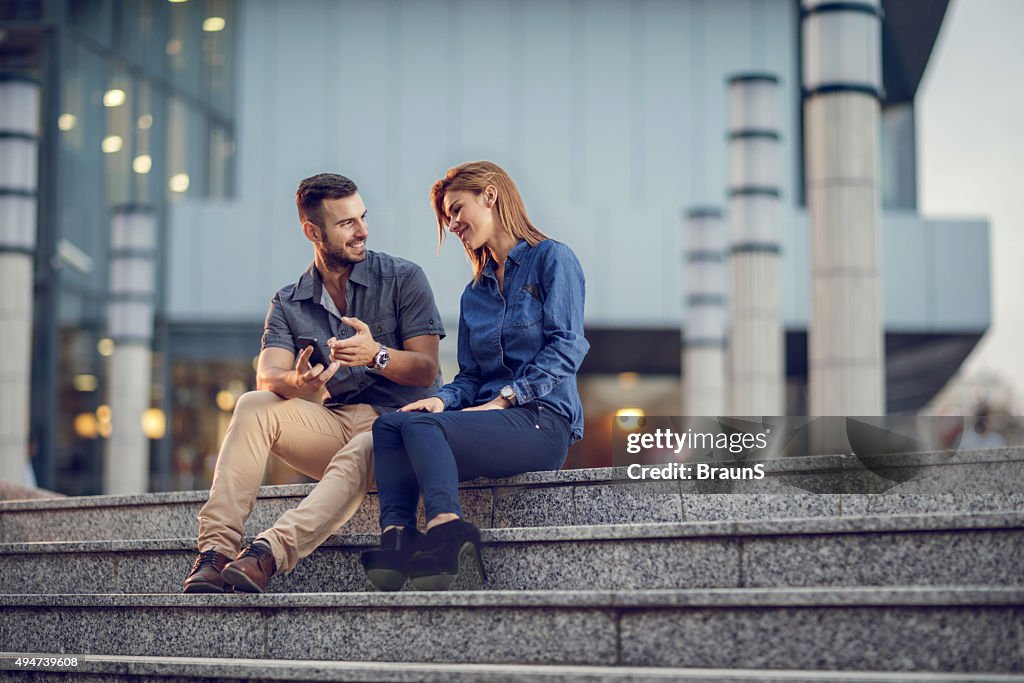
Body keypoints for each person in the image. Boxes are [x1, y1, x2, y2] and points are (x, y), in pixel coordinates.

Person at [183, 173, 446, 593]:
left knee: (368, 443)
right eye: (346, 223)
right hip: (337, 423)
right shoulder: (289, 301)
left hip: (403, 428)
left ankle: (267, 554)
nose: (362, 231)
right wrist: (298, 380)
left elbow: (426, 369)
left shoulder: (402, 278)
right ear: (312, 231)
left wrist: (375, 354)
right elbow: (268, 375)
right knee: (254, 404)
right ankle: (214, 553)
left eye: (362, 217)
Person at [361, 161, 589, 591]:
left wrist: (505, 398)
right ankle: (398, 539)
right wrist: (444, 400)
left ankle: (448, 531)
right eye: (447, 217)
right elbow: (469, 376)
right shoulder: (474, 293)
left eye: (456, 209)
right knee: (391, 424)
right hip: (490, 420)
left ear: (490, 194)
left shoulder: (552, 259)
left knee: (423, 427)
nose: (452, 225)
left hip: (542, 420)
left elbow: (568, 347)